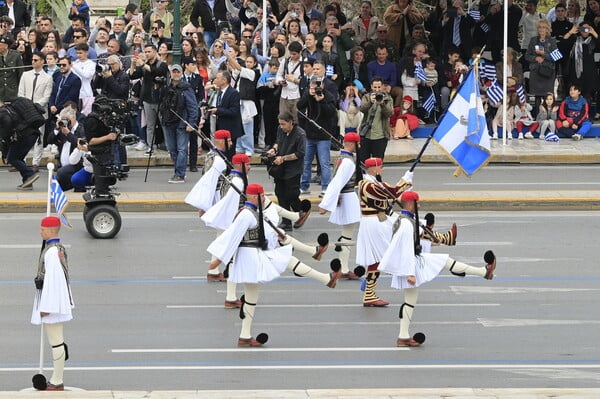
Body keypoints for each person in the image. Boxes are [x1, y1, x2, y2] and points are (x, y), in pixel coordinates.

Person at [207, 183, 339, 347]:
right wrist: (218, 260)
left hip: (256, 254)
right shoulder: (246, 215)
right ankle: (325, 278)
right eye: (262, 196)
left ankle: (245, 335)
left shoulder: (254, 212)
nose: (264, 198)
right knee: (256, 291)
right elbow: (232, 236)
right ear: (254, 197)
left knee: (253, 295)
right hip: (251, 257)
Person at [378, 191, 496, 347]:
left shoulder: (406, 220)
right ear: (411, 203)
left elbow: (415, 239)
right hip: (410, 264)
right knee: (444, 262)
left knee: (411, 300)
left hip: (410, 263)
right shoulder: (406, 223)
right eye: (417, 203)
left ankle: (403, 336)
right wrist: (410, 274)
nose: (419, 205)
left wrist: (435, 241)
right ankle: (483, 272)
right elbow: (406, 249)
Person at [356, 157, 412, 307]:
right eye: (380, 167)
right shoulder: (367, 185)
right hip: (373, 223)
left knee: (379, 257)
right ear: (373, 169)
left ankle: (369, 288)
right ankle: (369, 291)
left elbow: (388, 194)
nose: (382, 169)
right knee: (381, 257)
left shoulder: (371, 183)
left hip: (377, 222)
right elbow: (391, 193)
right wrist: (405, 180)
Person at [31, 216, 74, 391]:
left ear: (50, 231)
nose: (40, 232)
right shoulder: (55, 248)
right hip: (54, 300)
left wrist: (46, 307)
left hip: (52, 302)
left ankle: (57, 381)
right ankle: (56, 379)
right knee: (57, 341)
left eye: (42, 229)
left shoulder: (51, 252)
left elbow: (53, 281)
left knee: (56, 342)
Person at [185, 129, 232, 282]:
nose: (231, 143)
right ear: (220, 141)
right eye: (229, 140)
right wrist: (204, 205)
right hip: (219, 199)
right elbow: (209, 183)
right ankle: (218, 269)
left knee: (222, 234)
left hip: (220, 199)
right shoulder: (218, 159)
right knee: (224, 235)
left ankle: (214, 270)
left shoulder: (213, 155)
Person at [319, 132, 362, 279]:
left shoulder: (344, 158)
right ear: (352, 144)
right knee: (348, 235)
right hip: (348, 197)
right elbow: (337, 183)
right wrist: (325, 204)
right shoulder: (348, 161)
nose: (360, 146)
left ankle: (344, 266)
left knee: (346, 234)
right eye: (358, 144)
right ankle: (343, 269)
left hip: (346, 196)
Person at [264, 112, 306, 231]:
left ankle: (301, 211)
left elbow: (300, 153)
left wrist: (283, 158)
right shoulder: (280, 129)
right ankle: (286, 221)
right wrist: (274, 149)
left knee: (291, 194)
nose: (282, 127)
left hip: (293, 169)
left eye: (284, 124)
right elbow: (278, 141)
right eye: (280, 124)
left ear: (291, 122)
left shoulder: (300, 134)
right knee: (280, 194)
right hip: (280, 168)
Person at [297, 77, 337, 197]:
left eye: (317, 87)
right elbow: (299, 106)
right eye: (313, 87)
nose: (315, 90)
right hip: (310, 134)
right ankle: (304, 186)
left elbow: (330, 113)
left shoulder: (328, 96)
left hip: (323, 135)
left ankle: (326, 187)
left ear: (322, 86)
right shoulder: (308, 94)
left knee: (324, 163)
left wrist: (322, 100)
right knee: (306, 161)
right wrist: (308, 96)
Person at [159, 64, 199, 183]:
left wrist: (191, 123)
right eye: (173, 72)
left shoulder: (186, 88)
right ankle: (178, 170)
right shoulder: (166, 87)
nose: (175, 74)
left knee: (182, 149)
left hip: (182, 123)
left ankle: (180, 174)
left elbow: (193, 107)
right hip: (168, 122)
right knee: (172, 149)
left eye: (178, 72)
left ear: (181, 73)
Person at [129, 44, 168, 154]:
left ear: (155, 52)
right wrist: (133, 64)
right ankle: (150, 146)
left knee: (164, 124)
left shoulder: (162, 64)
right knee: (149, 125)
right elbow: (133, 76)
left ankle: (169, 146)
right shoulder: (144, 66)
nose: (147, 54)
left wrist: (143, 64)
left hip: (160, 99)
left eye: (149, 51)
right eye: (145, 52)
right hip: (147, 99)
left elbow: (157, 72)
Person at [18, 51, 53, 174]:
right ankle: (20, 161)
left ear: (42, 62)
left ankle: (35, 163)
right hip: (25, 111)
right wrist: (26, 107)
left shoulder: (48, 78)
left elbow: (46, 97)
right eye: (32, 60)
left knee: (39, 137)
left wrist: (35, 106)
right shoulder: (25, 75)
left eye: (36, 60)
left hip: (39, 112)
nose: (33, 62)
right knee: (22, 136)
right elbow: (21, 93)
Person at [83, 97, 118, 195]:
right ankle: (100, 194)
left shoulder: (103, 119)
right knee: (101, 183)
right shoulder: (92, 120)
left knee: (106, 180)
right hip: (98, 154)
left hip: (106, 153)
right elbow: (91, 141)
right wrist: (107, 137)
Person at [208, 70, 243, 159]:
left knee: (229, 154)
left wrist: (218, 111)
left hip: (231, 129)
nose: (215, 80)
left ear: (224, 80)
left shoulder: (233, 93)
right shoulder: (219, 92)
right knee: (222, 155)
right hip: (221, 127)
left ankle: (230, 171)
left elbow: (234, 111)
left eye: (217, 78)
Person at [525, 19, 558, 111]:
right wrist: (536, 58)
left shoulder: (552, 40)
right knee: (537, 96)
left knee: (548, 95)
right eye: (539, 27)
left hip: (548, 71)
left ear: (547, 29)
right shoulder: (533, 40)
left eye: (543, 27)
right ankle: (538, 116)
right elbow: (527, 56)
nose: (541, 29)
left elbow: (556, 57)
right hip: (536, 70)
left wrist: (543, 54)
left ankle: (549, 115)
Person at [358, 77, 394, 162]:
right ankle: (363, 175)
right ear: (371, 86)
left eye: (379, 87)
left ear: (382, 87)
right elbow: (362, 109)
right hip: (366, 135)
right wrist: (370, 102)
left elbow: (389, 113)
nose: (377, 89)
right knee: (363, 162)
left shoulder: (387, 98)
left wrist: (382, 104)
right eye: (375, 87)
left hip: (380, 136)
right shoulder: (367, 97)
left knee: (377, 163)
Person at [0, 36, 23, 102]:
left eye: (0, 45)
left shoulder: (15, 55)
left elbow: (20, 73)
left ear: (6, 46)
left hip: (12, 92)